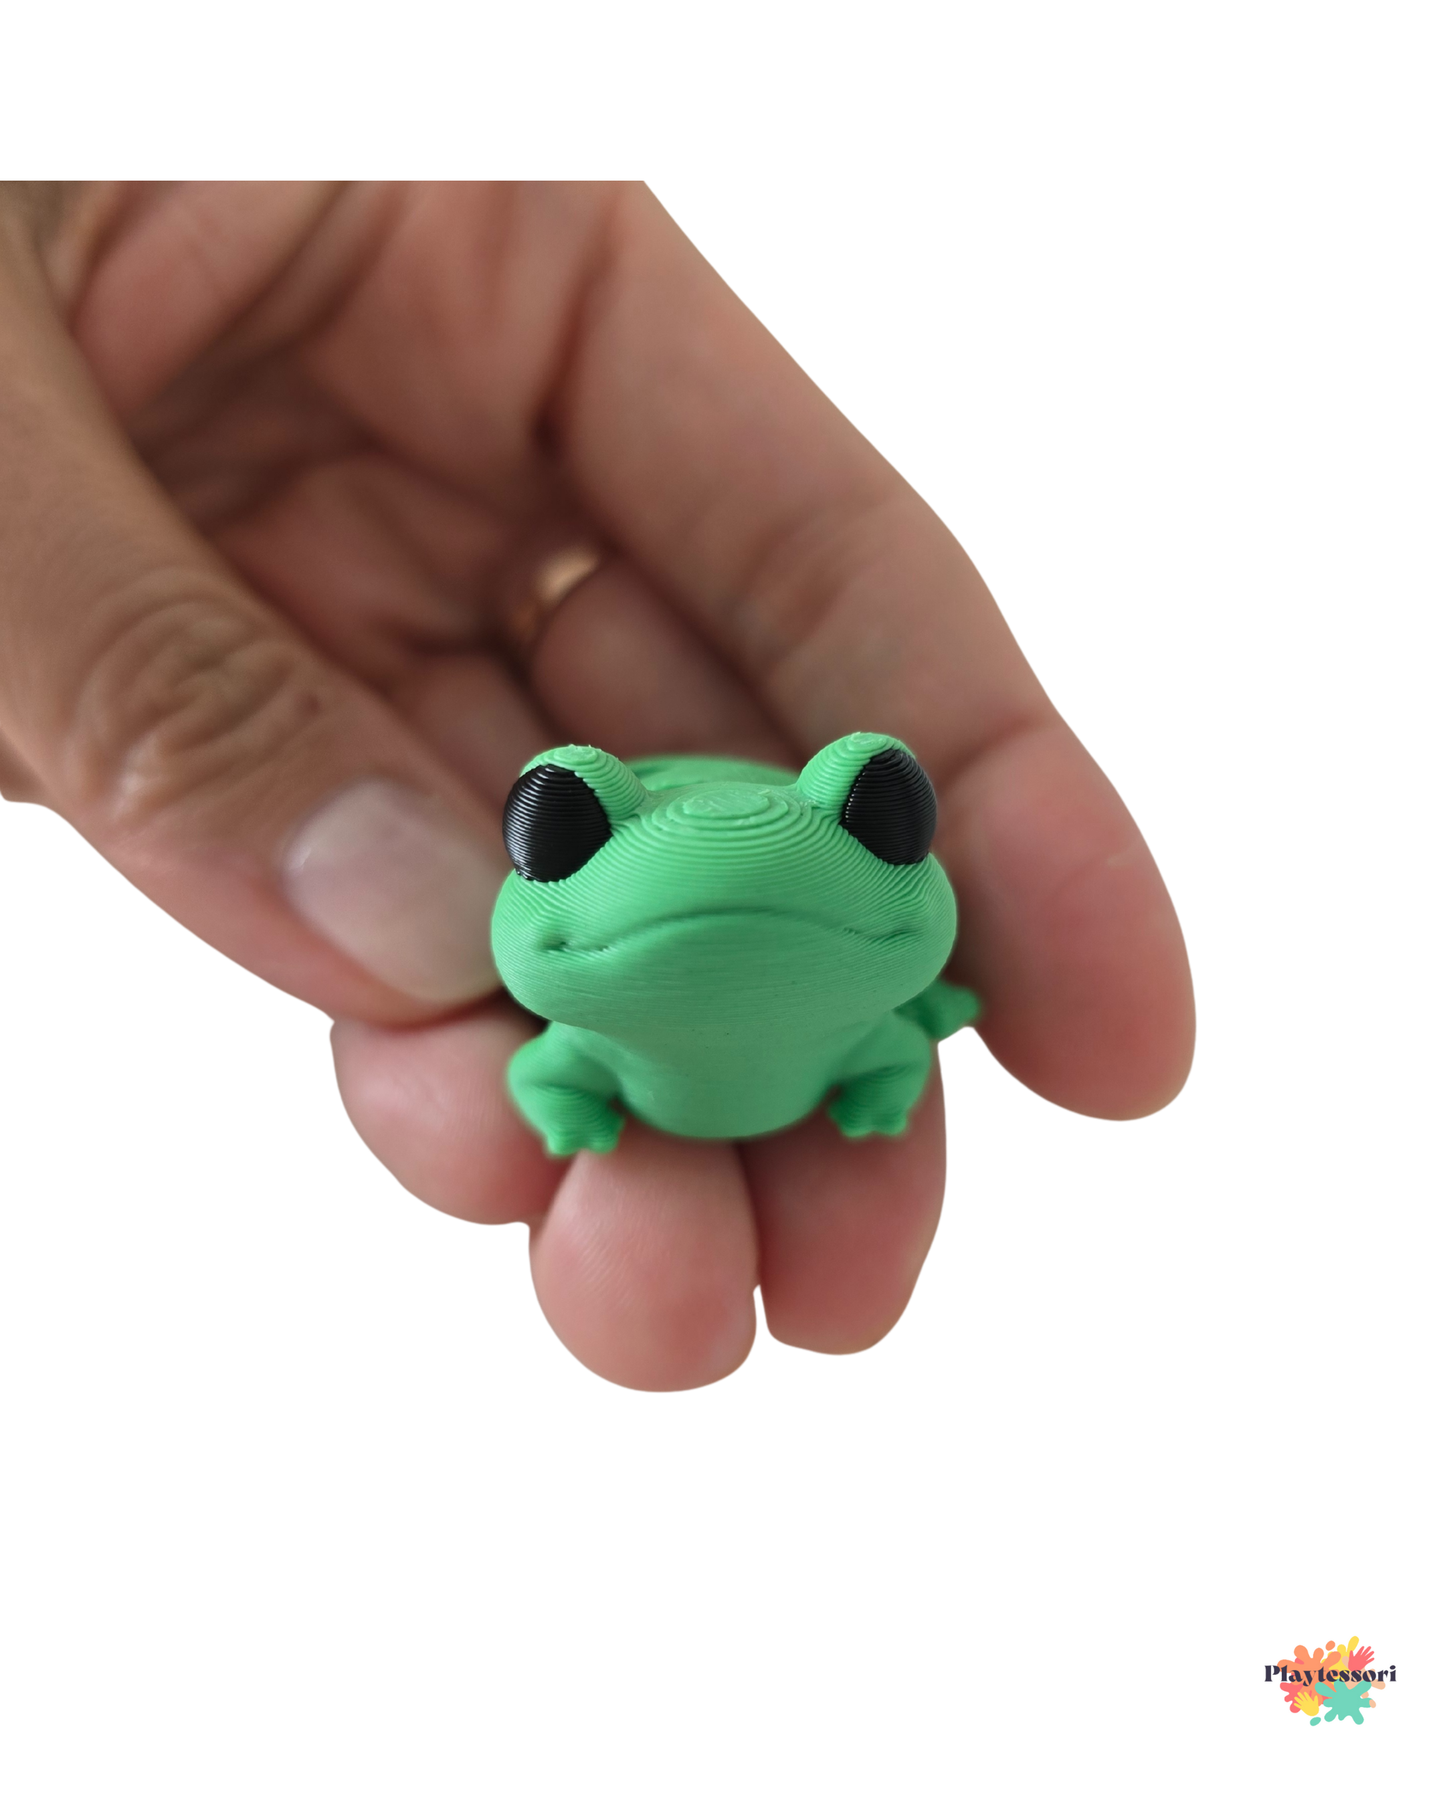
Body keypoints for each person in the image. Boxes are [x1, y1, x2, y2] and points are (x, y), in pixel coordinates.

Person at [0, 181, 1194, 1390]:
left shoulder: (852, 1011)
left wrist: (882, 1067)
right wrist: (584, 1103)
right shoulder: (608, 1033)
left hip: (835, 1036)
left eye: (882, 816)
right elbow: (547, 1070)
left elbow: (600, 1063)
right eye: (558, 830)